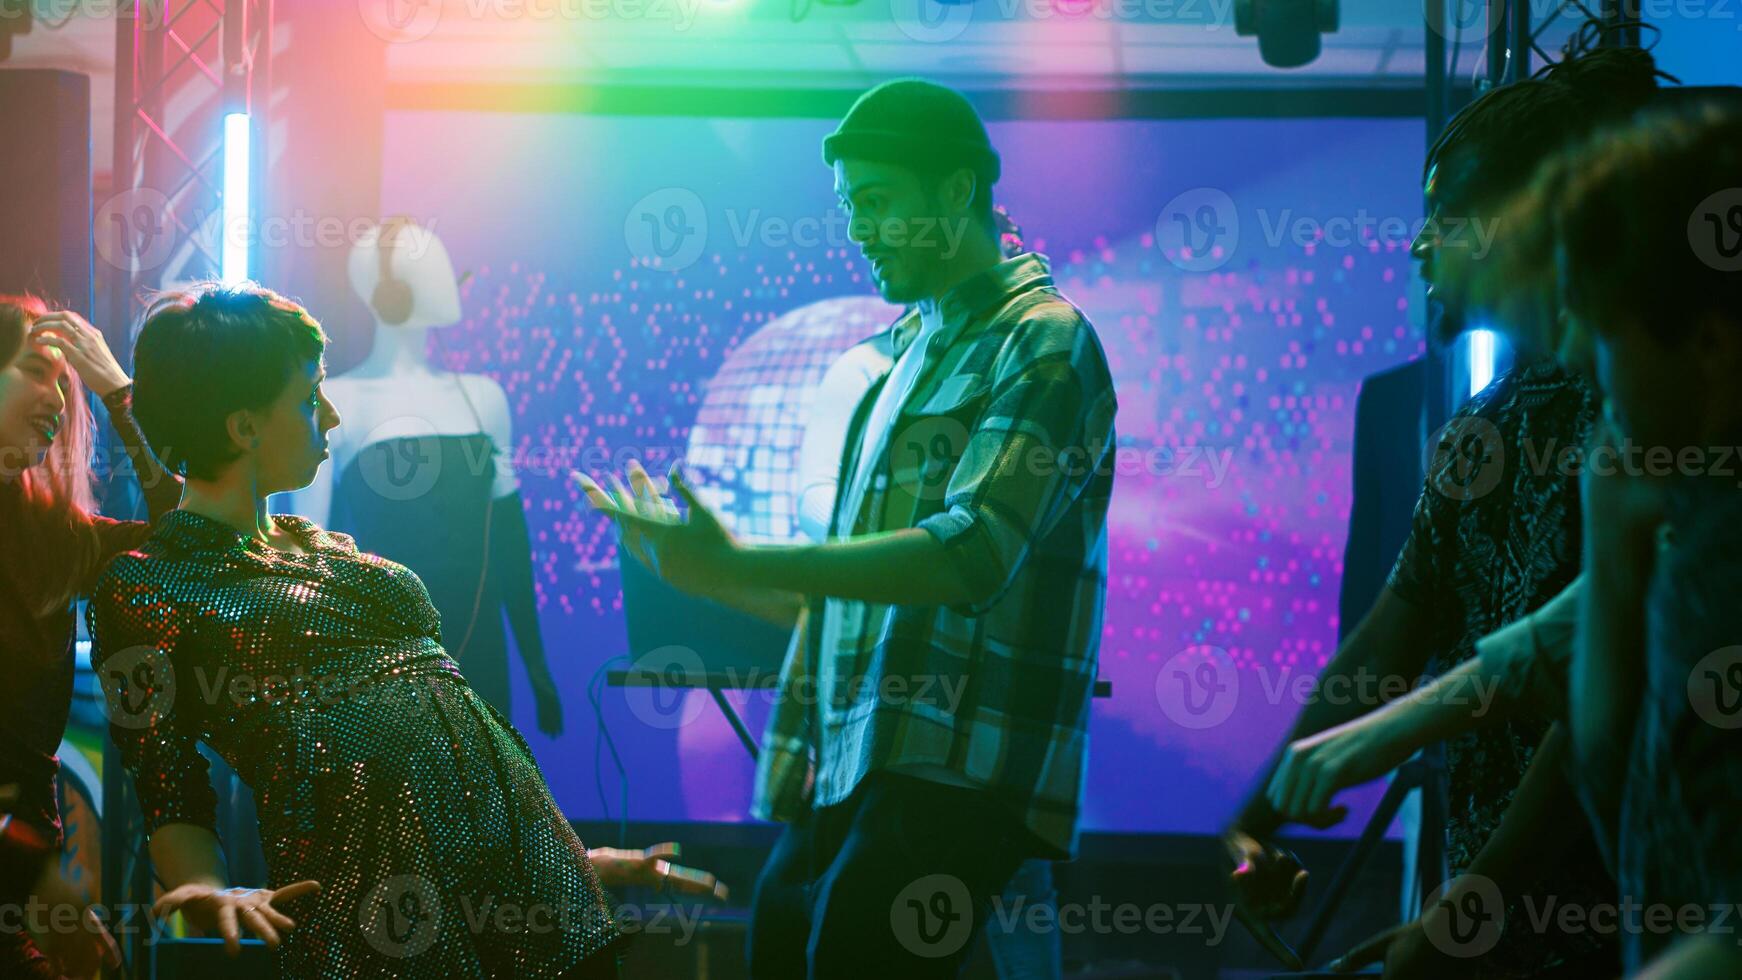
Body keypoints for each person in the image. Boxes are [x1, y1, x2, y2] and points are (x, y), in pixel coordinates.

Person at [580, 77, 1116, 978]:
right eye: (849, 205)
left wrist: (741, 553)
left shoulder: (1045, 342)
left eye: (876, 201)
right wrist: (700, 570)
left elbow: (972, 554)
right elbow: (835, 595)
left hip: (958, 766)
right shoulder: (894, 358)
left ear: (955, 192)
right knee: (784, 956)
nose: (859, 227)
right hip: (847, 761)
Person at [85, 282, 691, 978]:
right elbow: (169, 784)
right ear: (244, 427)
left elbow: (445, 747)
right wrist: (207, 891)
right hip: (381, 924)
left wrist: (559, 852)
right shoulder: (148, 584)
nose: (332, 416)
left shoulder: (324, 547)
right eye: (310, 398)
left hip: (525, 893)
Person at [1225, 45, 1662, 979]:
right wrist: (1260, 814)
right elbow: (1396, 631)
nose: (1420, 244)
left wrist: (1477, 904)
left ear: (1523, 221)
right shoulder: (1484, 423)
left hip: (1631, 913)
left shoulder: (1651, 406)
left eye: (1443, 216)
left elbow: (1597, 680)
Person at [0, 295, 180, 978]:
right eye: (33, 371)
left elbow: (192, 541)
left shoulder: (53, 535)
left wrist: (119, 395)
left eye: (65, 384)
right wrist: (29, 861)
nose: (56, 400)